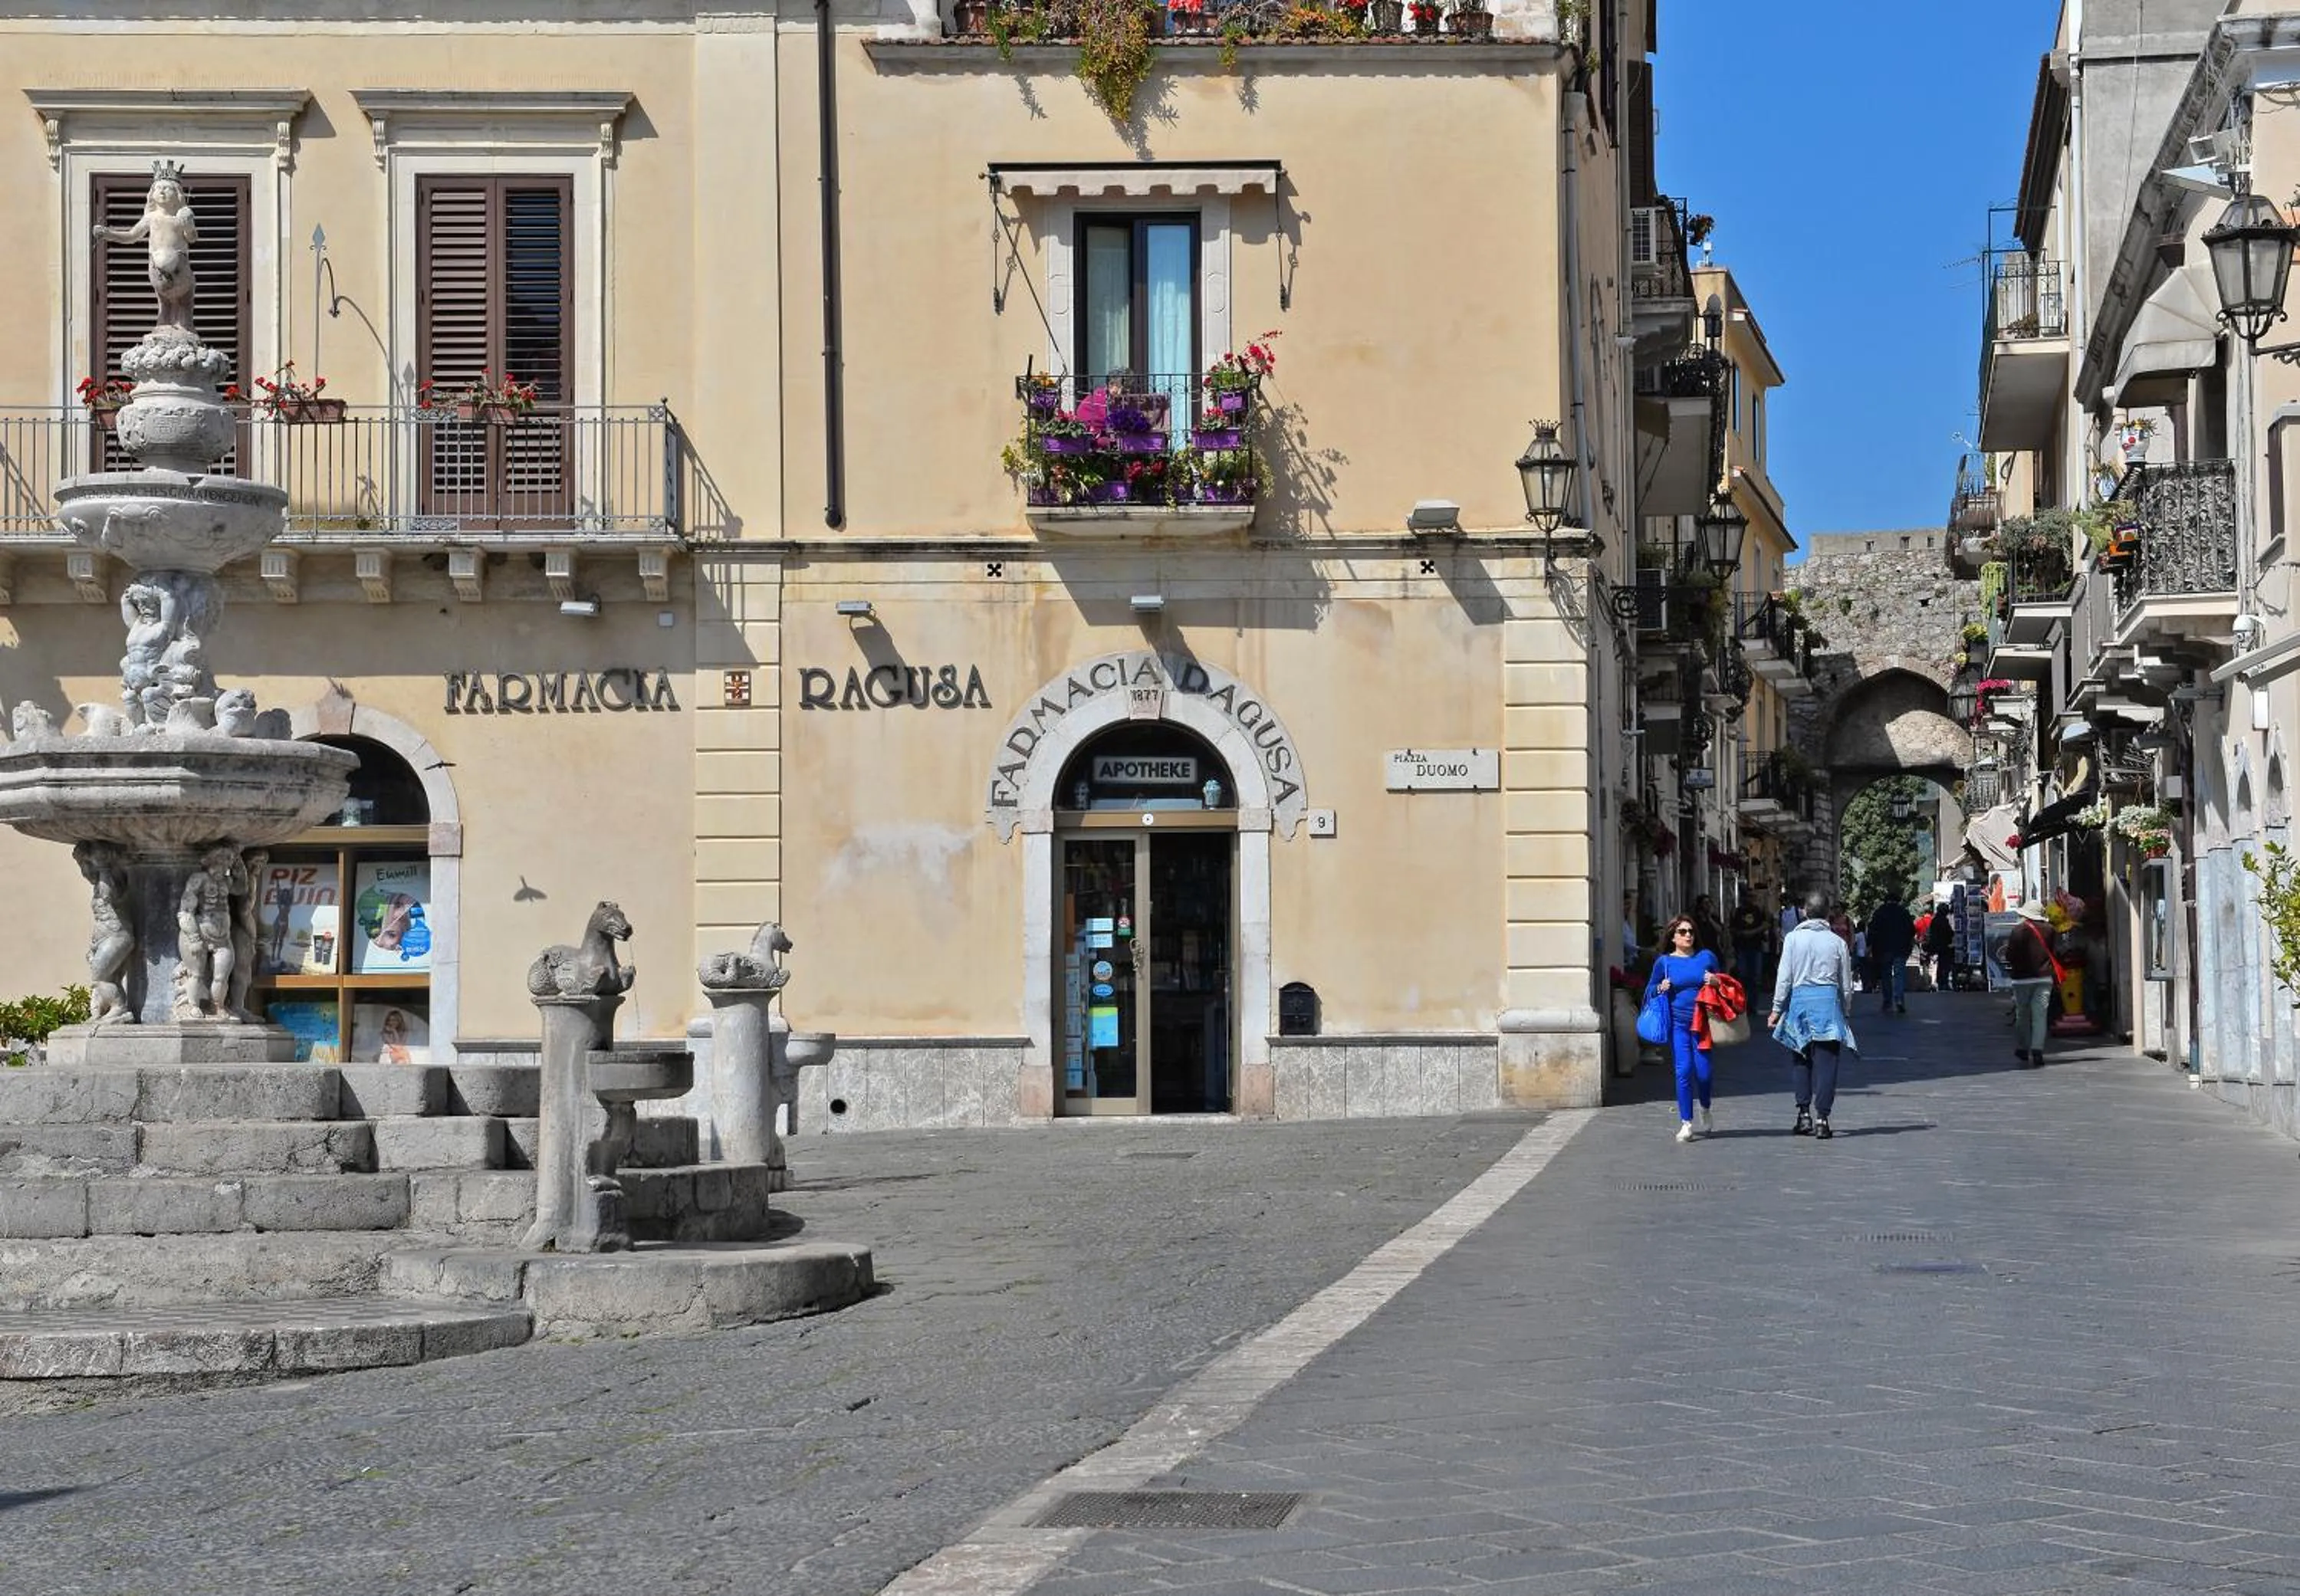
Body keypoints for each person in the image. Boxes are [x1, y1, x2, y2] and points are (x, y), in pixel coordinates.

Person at [1769, 889, 1858, 1139]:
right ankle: (1823, 1118)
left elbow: (1784, 977)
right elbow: (1847, 985)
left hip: (1800, 1003)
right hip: (1828, 1004)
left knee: (1801, 1059)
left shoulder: (1792, 940)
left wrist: (1776, 1009)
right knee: (1827, 1063)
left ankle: (1803, 1114)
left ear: (1805, 912)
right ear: (1828, 913)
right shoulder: (1837, 943)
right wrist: (1846, 1011)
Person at [1644, 915, 1723, 1143]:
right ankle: (1686, 1122)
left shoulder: (1706, 957)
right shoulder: (1665, 963)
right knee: (1683, 1071)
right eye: (1682, 932)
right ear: (1672, 937)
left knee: (1705, 1073)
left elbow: (1726, 982)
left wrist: (1716, 982)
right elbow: (1649, 991)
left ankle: (1705, 1107)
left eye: (1690, 931)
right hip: (1678, 1025)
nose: (1688, 935)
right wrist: (1661, 987)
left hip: (1702, 1024)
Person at [2005, 901, 2058, 1067]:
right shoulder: (2050, 930)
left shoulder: (2018, 930)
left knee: (2023, 1014)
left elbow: (2010, 955)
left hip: (2022, 979)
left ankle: (2023, 1048)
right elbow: (2054, 952)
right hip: (2044, 978)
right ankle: (2037, 1050)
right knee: (2040, 1016)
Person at [1867, 896, 1917, 1014]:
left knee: (1886, 975)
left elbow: (1872, 930)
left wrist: (1870, 946)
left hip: (1884, 949)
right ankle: (1899, 999)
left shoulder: (1880, 912)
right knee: (1899, 974)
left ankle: (1887, 1001)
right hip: (1901, 948)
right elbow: (1911, 930)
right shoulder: (1903, 912)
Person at [1728, 892, 1769, 993]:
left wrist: (1753, 932)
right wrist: (1742, 933)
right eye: (1749, 897)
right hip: (1742, 947)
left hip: (1756, 946)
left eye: (1753, 897)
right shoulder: (1738, 912)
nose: (1751, 899)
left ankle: (1753, 1000)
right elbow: (1731, 928)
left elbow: (1766, 924)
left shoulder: (1758, 911)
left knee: (1756, 975)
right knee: (1743, 974)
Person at [1924, 903, 1957, 990]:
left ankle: (1940, 982)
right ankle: (1943, 982)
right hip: (1944, 946)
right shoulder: (1943, 920)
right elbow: (1948, 933)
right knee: (1944, 965)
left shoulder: (1935, 920)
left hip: (1936, 946)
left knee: (1940, 965)